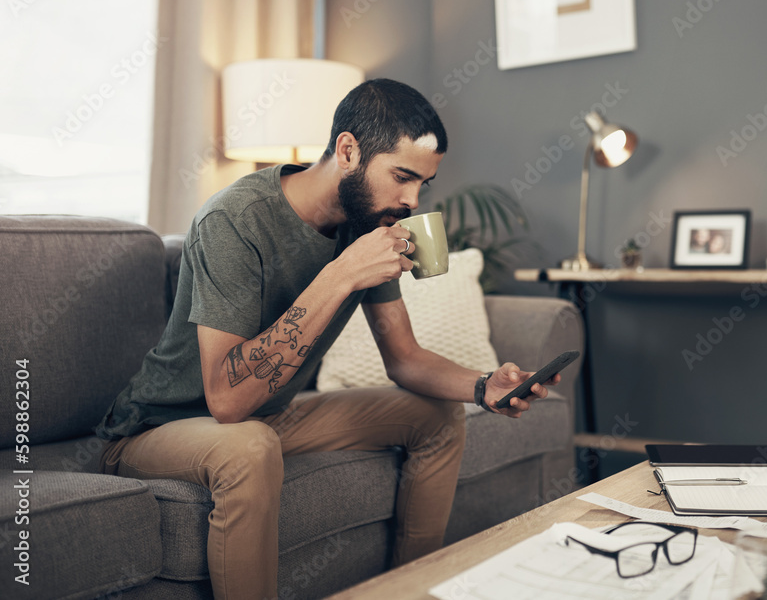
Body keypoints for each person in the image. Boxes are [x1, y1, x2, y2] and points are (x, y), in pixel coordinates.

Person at [95, 78, 557, 600]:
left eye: (423, 184)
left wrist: (485, 386)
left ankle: (412, 591)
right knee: (248, 446)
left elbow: (404, 359)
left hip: (265, 416)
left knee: (436, 415)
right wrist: (342, 275)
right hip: (160, 429)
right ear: (347, 150)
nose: (411, 200)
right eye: (402, 176)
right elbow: (227, 402)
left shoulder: (368, 224)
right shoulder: (234, 220)